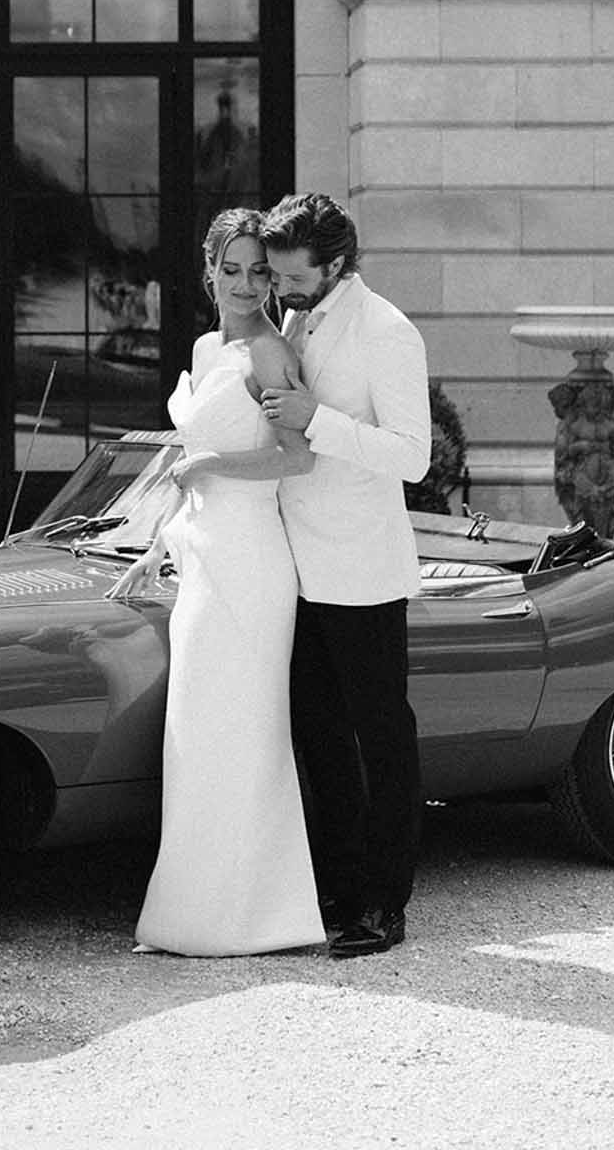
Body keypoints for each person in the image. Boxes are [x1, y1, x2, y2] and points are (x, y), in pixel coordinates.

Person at [109, 208, 325, 957]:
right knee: (197, 735)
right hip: (200, 556)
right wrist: (151, 545)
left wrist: (211, 469)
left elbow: (298, 458)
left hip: (252, 562)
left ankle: (255, 916)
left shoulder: (269, 353)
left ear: (273, 278)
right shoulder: (206, 347)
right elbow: (186, 457)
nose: (243, 284)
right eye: (230, 269)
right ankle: (192, 912)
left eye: (258, 271)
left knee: (243, 732)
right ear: (209, 272)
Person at [258, 191, 431, 960]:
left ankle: (385, 904)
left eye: (294, 276)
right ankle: (337, 886)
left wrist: (315, 422)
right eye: (278, 277)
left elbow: (413, 455)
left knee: (380, 736)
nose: (282, 291)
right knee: (319, 736)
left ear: (335, 264)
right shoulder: (296, 314)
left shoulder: (388, 330)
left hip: (361, 567)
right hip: (291, 567)